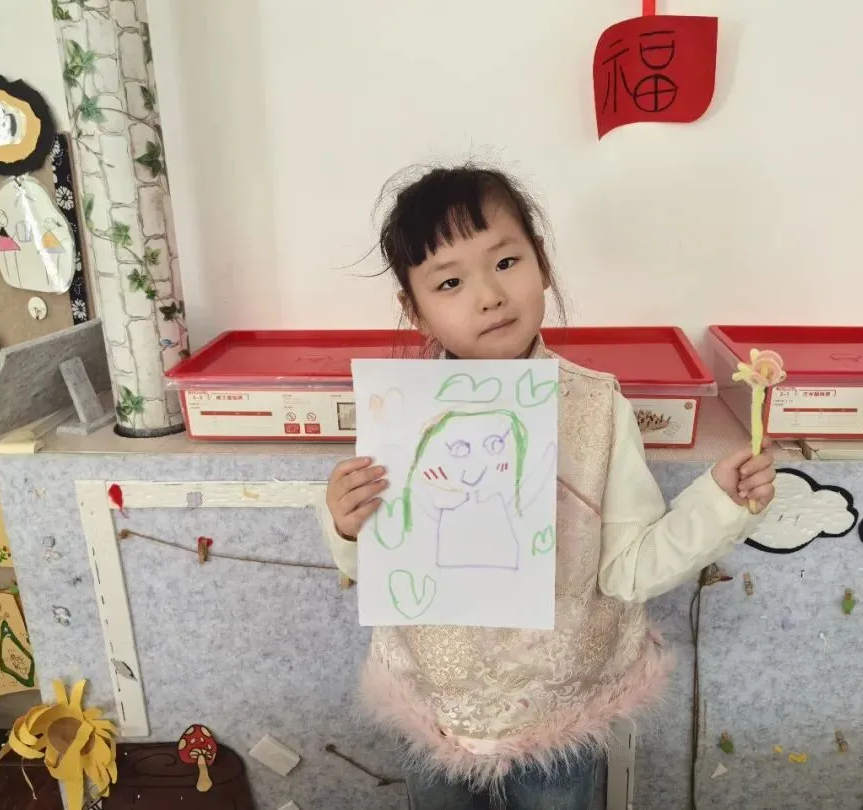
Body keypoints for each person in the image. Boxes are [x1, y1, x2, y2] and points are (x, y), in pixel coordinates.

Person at [321, 165, 776, 810]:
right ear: (413, 309)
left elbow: (629, 570)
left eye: (506, 262)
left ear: (543, 265)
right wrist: (344, 525)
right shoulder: (401, 413)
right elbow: (374, 559)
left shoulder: (596, 407)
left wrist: (719, 504)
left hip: (562, 706)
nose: (488, 295)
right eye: (450, 282)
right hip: (433, 700)